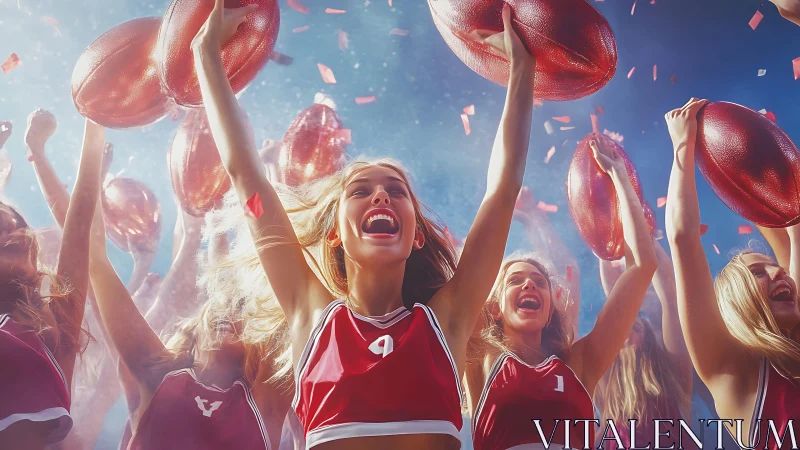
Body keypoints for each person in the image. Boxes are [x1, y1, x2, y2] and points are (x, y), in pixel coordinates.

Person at [192, 0, 535, 447]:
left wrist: (522, 71)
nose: (380, 195)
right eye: (360, 191)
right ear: (335, 233)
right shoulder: (309, 314)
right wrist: (206, 56)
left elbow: (502, 191)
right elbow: (245, 177)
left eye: (396, 191)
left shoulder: (447, 321)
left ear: (416, 237)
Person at [467, 138, 658, 450]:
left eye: (540, 282)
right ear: (495, 308)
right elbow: (475, 264)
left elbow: (642, 265)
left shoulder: (579, 364)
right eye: (515, 280)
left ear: (550, 310)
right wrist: (507, 198)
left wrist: (620, 177)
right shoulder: (481, 357)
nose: (530, 285)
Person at [665, 98, 800, 449]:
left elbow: (794, 221)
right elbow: (682, 239)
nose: (779, 274)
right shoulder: (730, 371)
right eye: (758, 272)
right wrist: (684, 143)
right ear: (736, 300)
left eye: (779, 270)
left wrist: (756, 158)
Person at [0, 119, 105, 449]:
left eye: (16, 227)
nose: (12, 231)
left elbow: (79, 223)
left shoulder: (52, 329)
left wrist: (96, 118)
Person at [594, 240, 694, 449]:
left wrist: (645, 237)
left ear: (648, 340)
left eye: (635, 328)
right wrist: (604, 242)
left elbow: (670, 300)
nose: (625, 331)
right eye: (621, 329)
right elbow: (616, 303)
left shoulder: (671, 374)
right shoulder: (605, 387)